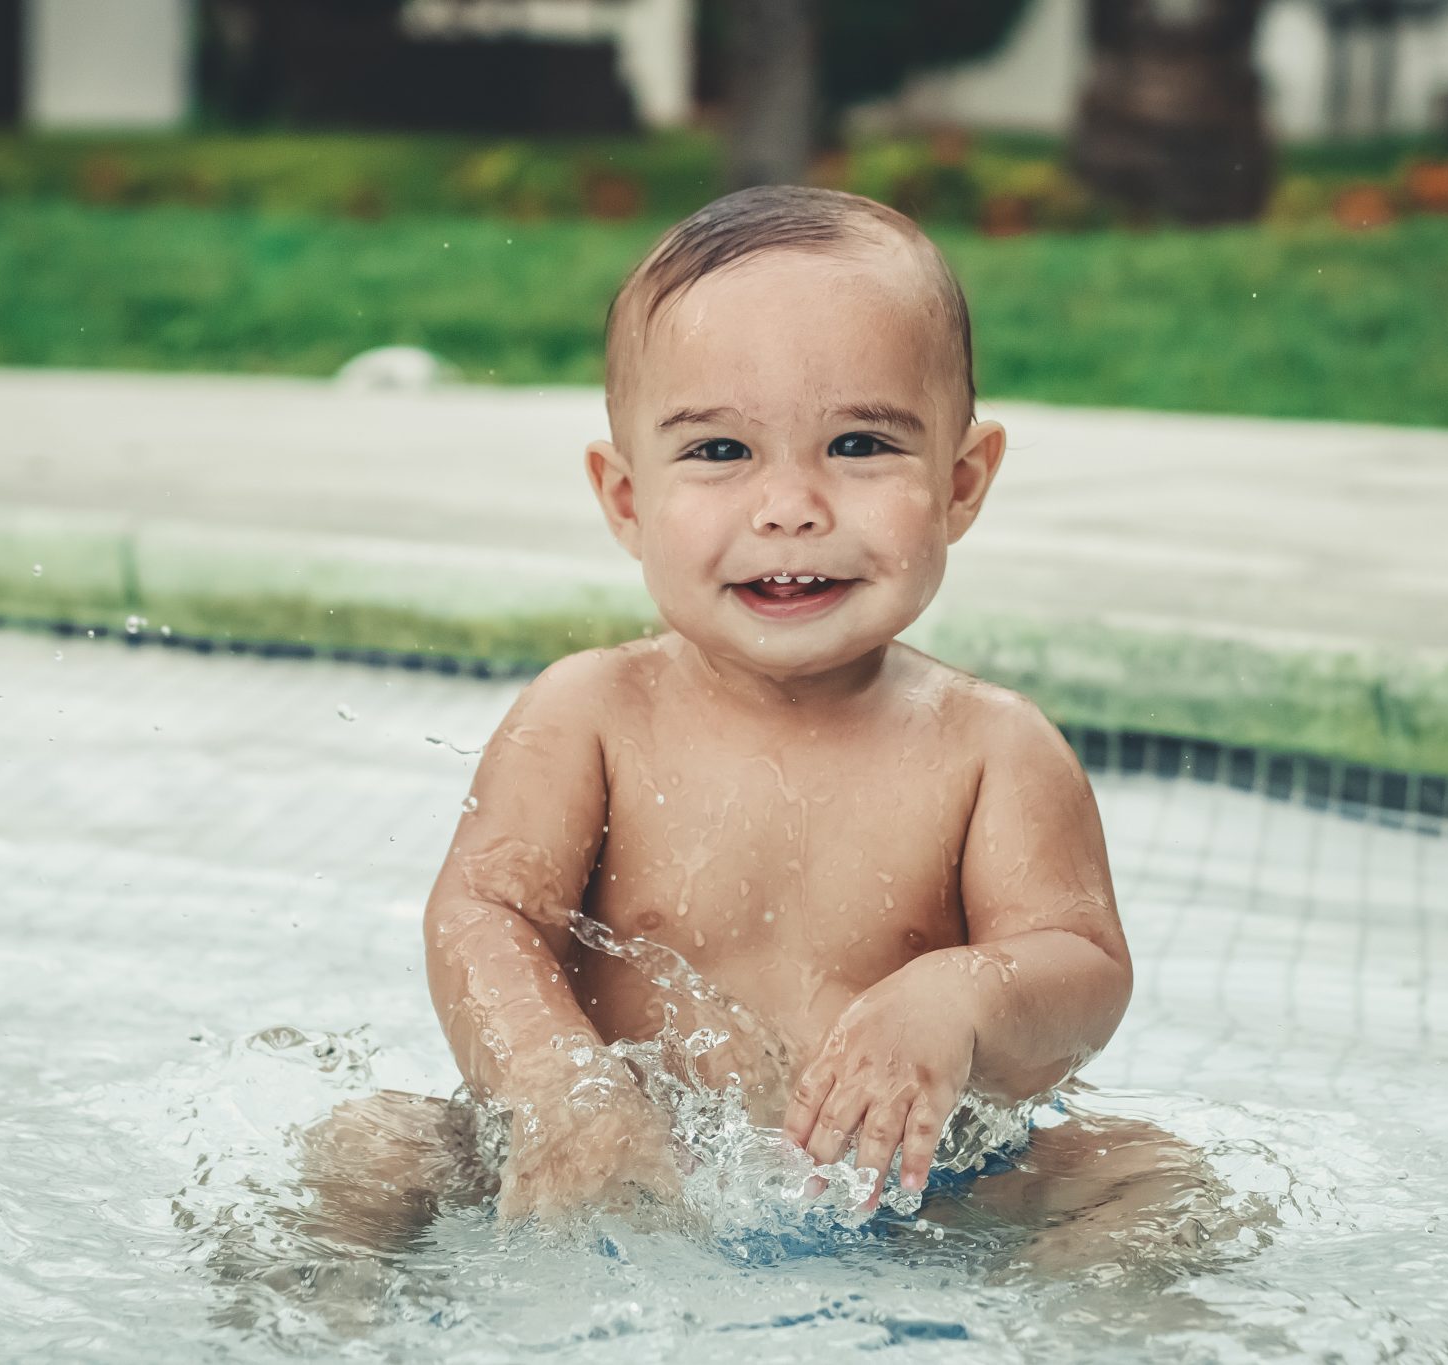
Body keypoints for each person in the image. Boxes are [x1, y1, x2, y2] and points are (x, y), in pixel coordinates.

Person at [306, 187, 1190, 1250]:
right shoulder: (589, 714)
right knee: (365, 1147)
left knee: (1155, 1184)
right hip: (603, 1167)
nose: (790, 506)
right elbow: (479, 920)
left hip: (922, 1190)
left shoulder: (989, 750)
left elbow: (1083, 971)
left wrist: (956, 1000)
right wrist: (560, 1089)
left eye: (859, 445)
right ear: (624, 499)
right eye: (720, 452)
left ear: (961, 483)